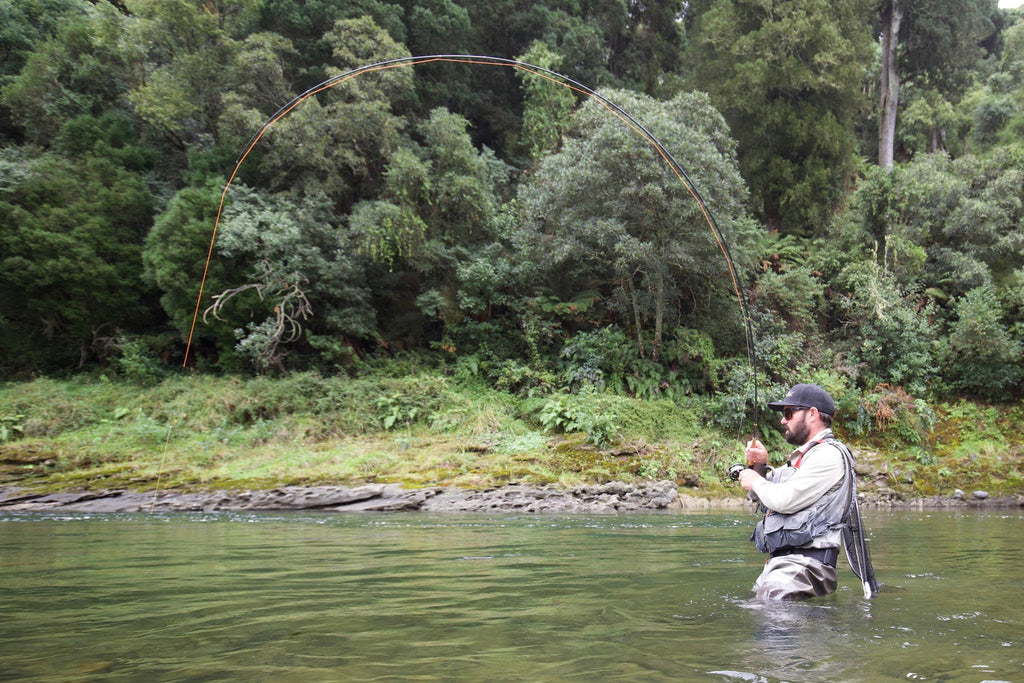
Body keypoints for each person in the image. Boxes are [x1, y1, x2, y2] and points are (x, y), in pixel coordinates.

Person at [738, 383, 857, 600]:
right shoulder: (804, 459)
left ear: (812, 414)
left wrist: (755, 480)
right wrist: (759, 465)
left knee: (769, 611)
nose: (783, 420)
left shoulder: (828, 456)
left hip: (806, 566)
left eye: (788, 413)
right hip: (784, 566)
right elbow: (763, 495)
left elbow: (783, 500)